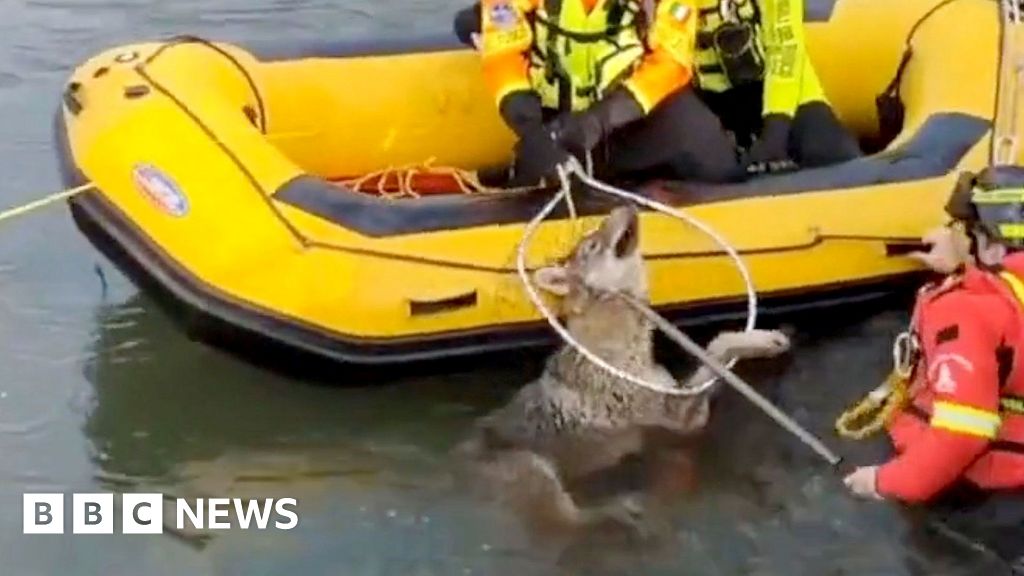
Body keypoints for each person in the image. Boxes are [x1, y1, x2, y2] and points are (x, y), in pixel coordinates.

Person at [451, 0, 861, 186]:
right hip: (583, 107)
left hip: (765, 93)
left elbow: (672, 60)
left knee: (823, 152)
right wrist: (529, 126)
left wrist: (776, 130)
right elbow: (503, 47)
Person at [843, 166, 1024, 568]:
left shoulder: (968, 310)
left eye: (967, 231)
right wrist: (964, 265)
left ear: (991, 247)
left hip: (982, 492)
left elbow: (963, 433)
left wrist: (884, 482)